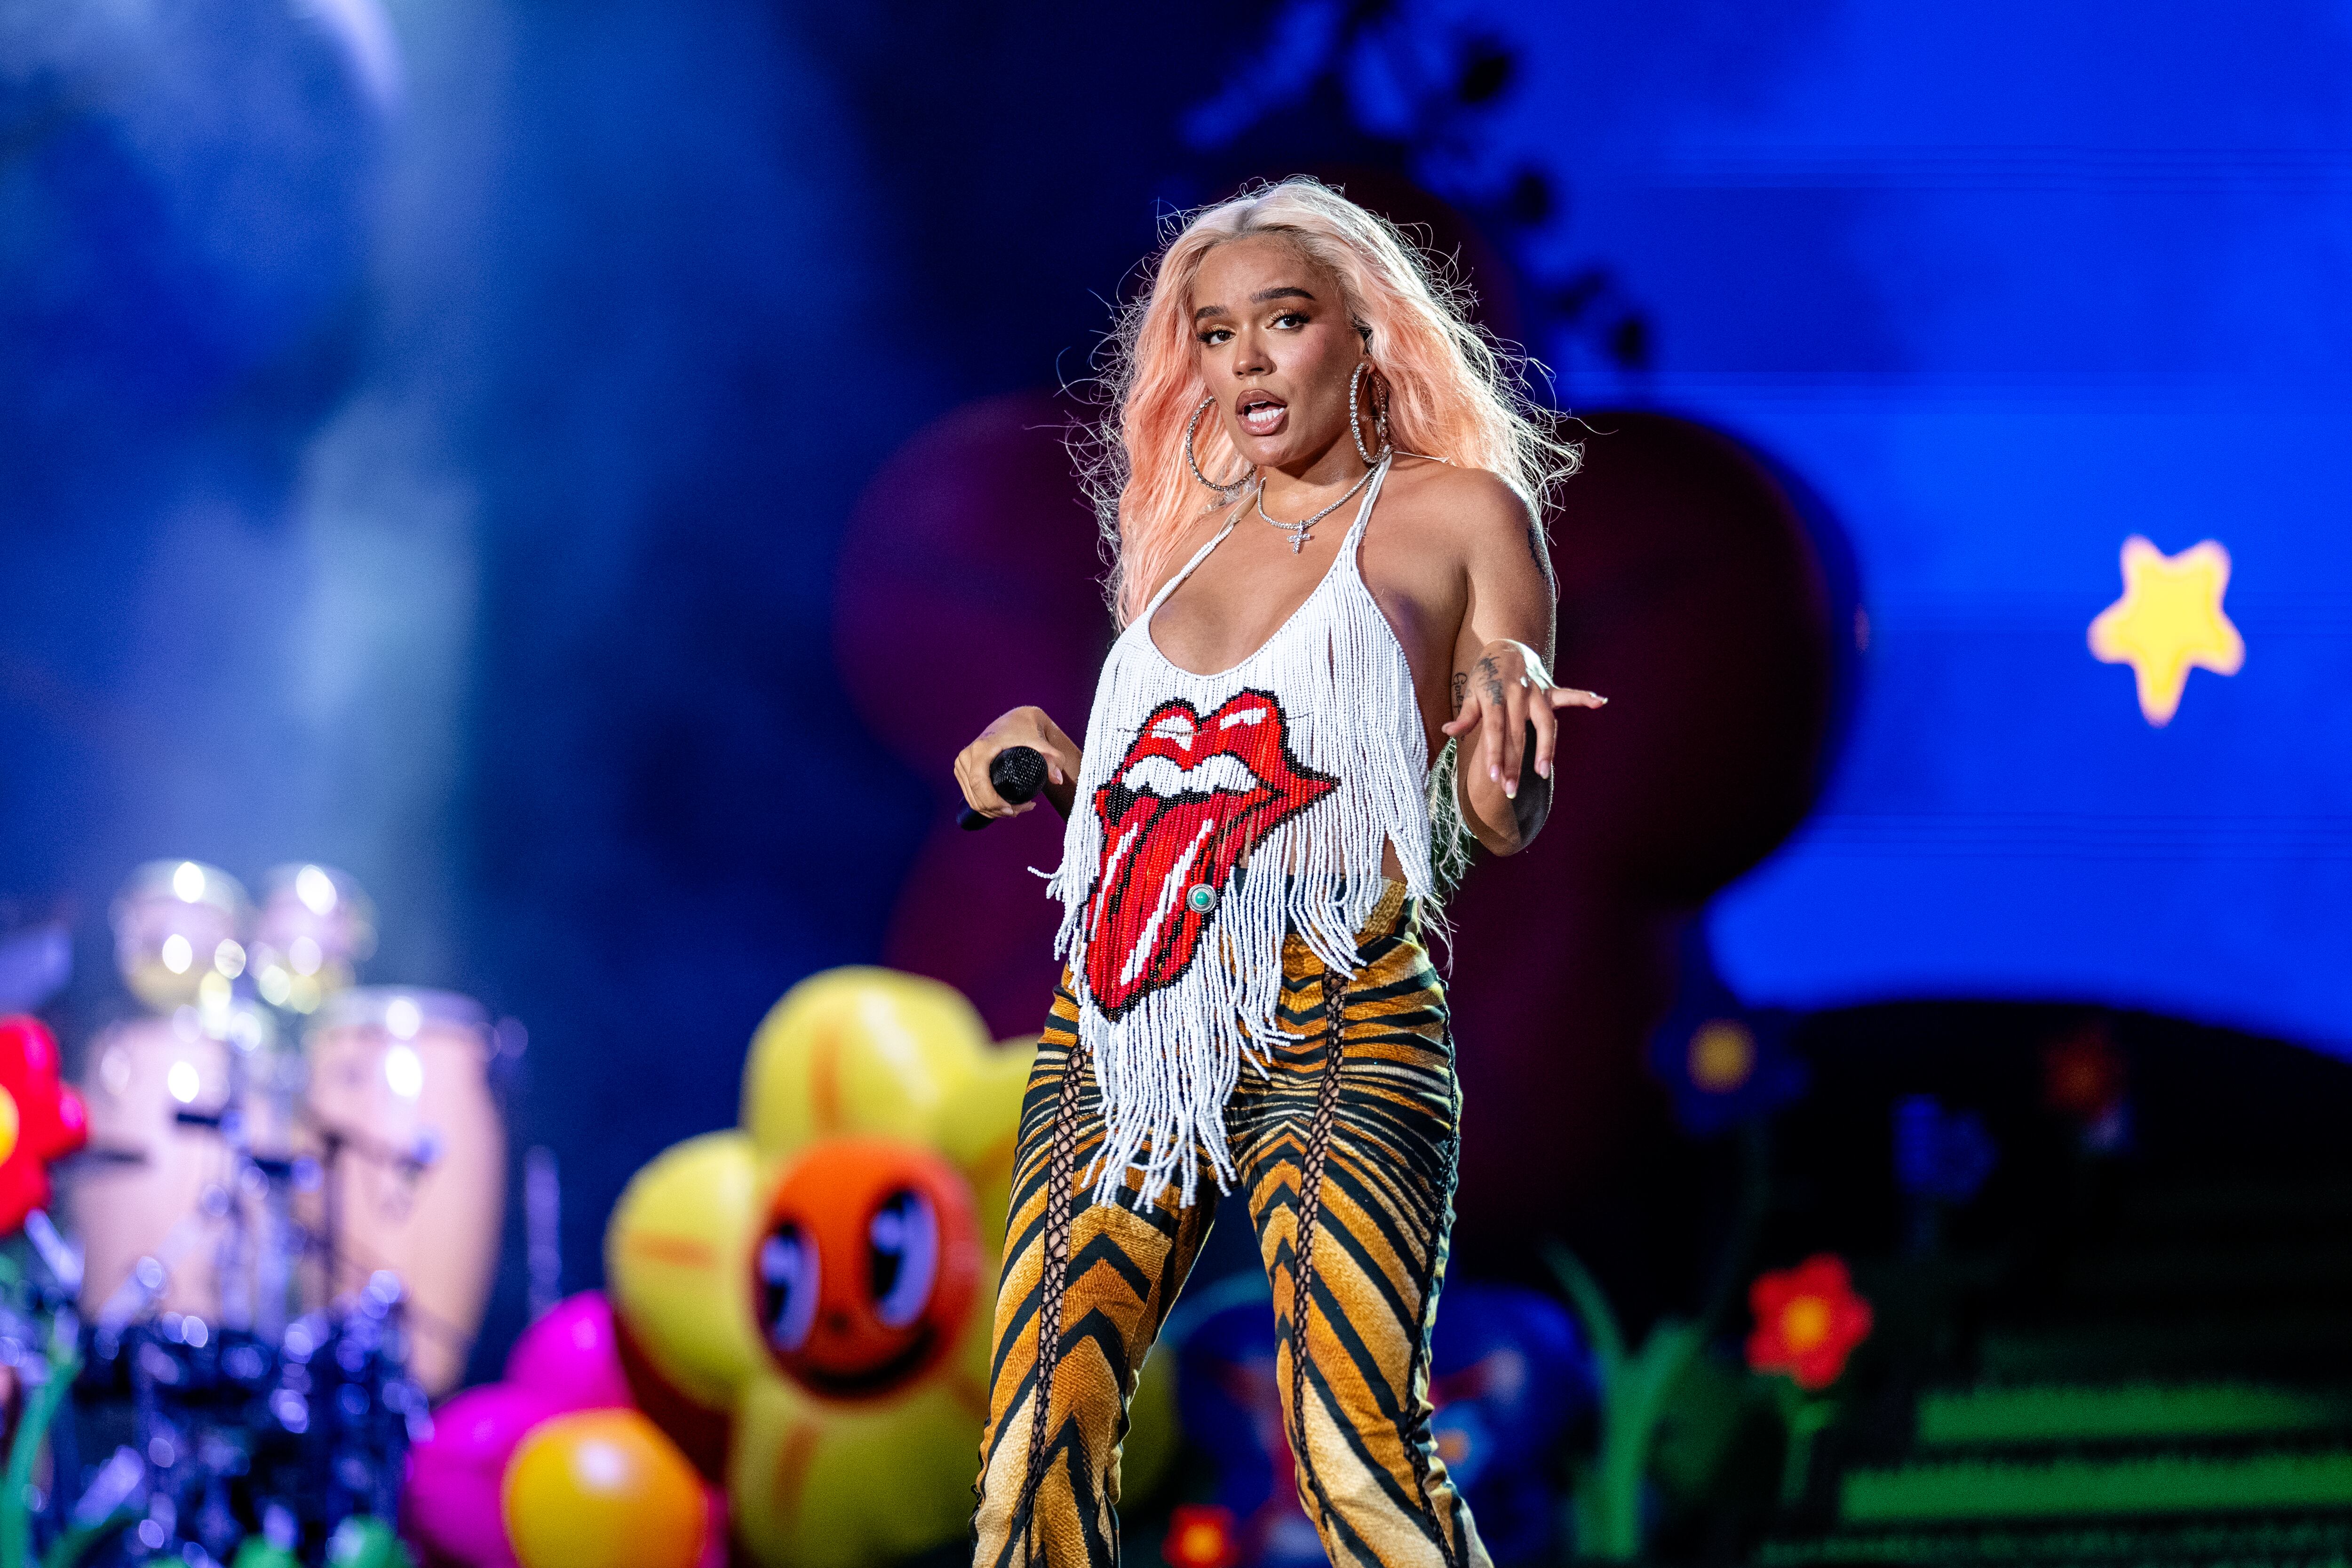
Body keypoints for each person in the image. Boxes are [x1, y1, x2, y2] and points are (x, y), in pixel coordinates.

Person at [954, 177, 1603, 1568]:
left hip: (1336, 1010)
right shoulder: (1182, 541)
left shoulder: (1459, 514)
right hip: (1122, 1024)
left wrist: (1508, 734)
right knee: (1032, 1452)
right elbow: (1179, 796)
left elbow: (1499, 819)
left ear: (1365, 336)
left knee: (1354, 1455)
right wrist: (1053, 760)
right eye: (1216, 332)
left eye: (1285, 321)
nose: (1246, 360)